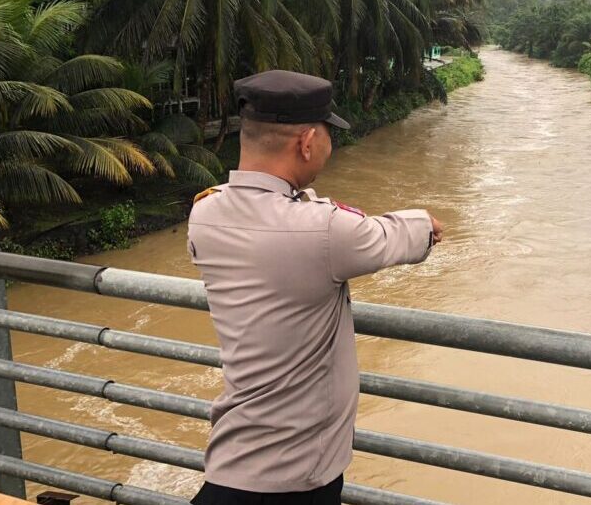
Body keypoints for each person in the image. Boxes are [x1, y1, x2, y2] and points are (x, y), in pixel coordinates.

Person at [186, 69, 443, 505]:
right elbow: (418, 231)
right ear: (307, 142)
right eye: (328, 134)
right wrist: (426, 222)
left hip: (233, 464)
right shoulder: (326, 230)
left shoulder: (205, 214)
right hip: (299, 477)